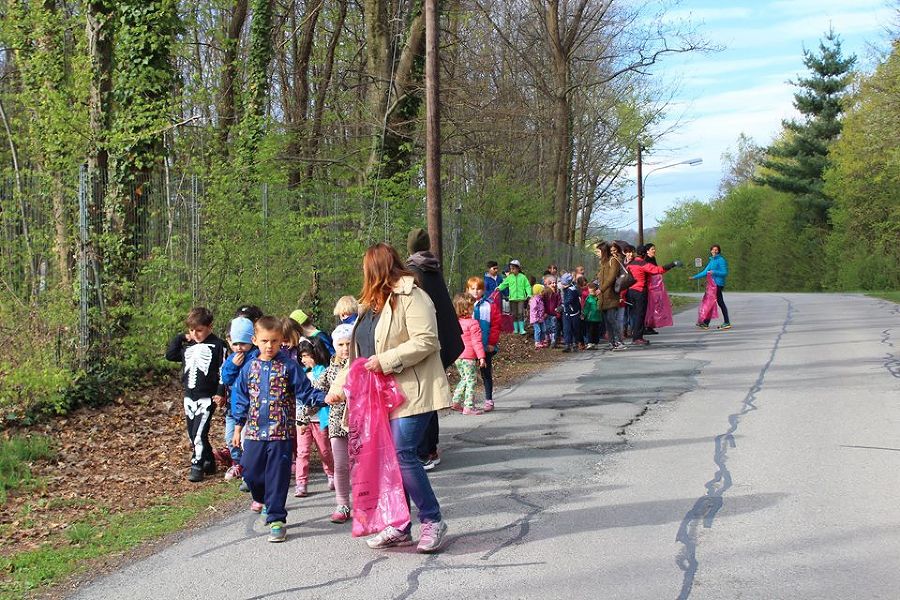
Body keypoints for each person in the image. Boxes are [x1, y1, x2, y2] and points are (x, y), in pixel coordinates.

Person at [325, 243, 451, 553]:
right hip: (378, 397)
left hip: (412, 391)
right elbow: (358, 354)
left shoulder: (414, 297)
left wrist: (387, 360)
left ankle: (433, 520)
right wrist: (339, 384)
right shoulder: (369, 306)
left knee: (403, 452)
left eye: (366, 268)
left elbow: (427, 341)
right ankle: (400, 525)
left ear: (378, 268)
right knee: (390, 460)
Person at [232, 316, 326, 542]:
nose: (269, 346)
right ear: (255, 340)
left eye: (274, 341)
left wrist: (326, 398)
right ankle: (264, 499)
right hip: (254, 433)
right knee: (250, 473)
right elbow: (241, 398)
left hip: (280, 433)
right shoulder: (249, 368)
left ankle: (276, 519)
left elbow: (306, 392)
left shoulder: (289, 366)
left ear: (281, 341)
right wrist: (237, 427)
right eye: (264, 341)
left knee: (278, 476)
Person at [405, 227, 464, 471]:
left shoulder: (413, 271)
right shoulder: (433, 267)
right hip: (440, 339)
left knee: (421, 397)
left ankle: (424, 451)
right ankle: (430, 447)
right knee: (428, 394)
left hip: (426, 341)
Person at [165, 307, 228, 482]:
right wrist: (181, 338)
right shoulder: (189, 346)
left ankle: (197, 464)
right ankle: (209, 460)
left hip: (207, 396)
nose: (196, 334)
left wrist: (220, 392)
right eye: (192, 330)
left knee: (199, 433)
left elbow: (224, 369)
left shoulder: (218, 345)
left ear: (210, 327)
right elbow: (170, 355)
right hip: (189, 395)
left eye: (199, 330)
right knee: (193, 434)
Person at [312, 322, 354, 523]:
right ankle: (342, 503)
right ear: (334, 346)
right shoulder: (329, 371)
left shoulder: (361, 365)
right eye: (341, 344)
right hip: (337, 423)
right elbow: (314, 392)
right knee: (341, 465)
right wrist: (303, 416)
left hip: (359, 423)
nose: (345, 349)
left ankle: (366, 502)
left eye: (349, 344)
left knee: (361, 464)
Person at [294, 340, 335, 498]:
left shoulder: (323, 372)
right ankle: (301, 483)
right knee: (302, 452)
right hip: (303, 420)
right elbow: (298, 398)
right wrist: (301, 418)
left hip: (319, 419)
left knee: (324, 450)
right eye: (301, 356)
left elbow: (322, 396)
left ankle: (331, 474)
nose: (303, 359)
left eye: (306, 356)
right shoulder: (301, 374)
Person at [221, 316, 256, 481]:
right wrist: (233, 365)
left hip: (250, 407)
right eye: (235, 344)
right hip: (233, 408)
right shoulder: (232, 358)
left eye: (243, 343)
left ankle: (249, 469)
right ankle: (237, 463)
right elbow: (226, 378)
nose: (239, 347)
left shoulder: (255, 357)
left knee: (246, 440)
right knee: (230, 438)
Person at [625, 245, 680, 346]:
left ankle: (635, 336)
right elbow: (658, 270)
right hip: (640, 291)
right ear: (644, 253)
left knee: (634, 315)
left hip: (630, 291)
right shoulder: (642, 263)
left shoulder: (630, 264)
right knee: (640, 315)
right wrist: (672, 264)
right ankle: (637, 338)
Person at [466, 276, 501, 413]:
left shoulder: (490, 305)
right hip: (469, 346)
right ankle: (469, 401)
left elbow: (496, 325)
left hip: (485, 346)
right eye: (473, 289)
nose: (476, 292)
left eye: (479, 289)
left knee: (486, 373)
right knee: (469, 375)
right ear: (468, 289)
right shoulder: (465, 305)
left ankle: (488, 399)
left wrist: (492, 343)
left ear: (483, 290)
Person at [450, 293, 487, 415]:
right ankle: (469, 406)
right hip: (469, 356)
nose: (474, 309)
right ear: (466, 309)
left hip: (458, 356)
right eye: (472, 306)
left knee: (464, 378)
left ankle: (455, 401)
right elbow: (476, 341)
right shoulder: (473, 323)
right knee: (471, 380)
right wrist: (481, 357)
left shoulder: (455, 323)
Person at [691, 244, 731, 330]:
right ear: (711, 251)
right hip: (711, 285)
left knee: (717, 302)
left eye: (716, 250)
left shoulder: (721, 260)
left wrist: (714, 272)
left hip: (718, 284)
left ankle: (724, 322)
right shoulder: (712, 261)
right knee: (711, 302)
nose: (714, 251)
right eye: (713, 250)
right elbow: (705, 272)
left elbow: (724, 273)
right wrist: (694, 277)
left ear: (719, 251)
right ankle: (706, 323)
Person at [597, 242, 626, 351]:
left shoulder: (613, 261)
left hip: (611, 295)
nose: (597, 254)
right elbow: (600, 278)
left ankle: (619, 341)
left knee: (612, 319)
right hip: (603, 297)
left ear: (603, 251)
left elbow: (611, 278)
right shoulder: (603, 263)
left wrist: (601, 289)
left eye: (598, 251)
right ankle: (612, 342)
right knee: (607, 321)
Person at [498, 259, 532, 335]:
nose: (511, 270)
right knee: (514, 314)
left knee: (520, 313)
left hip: (521, 298)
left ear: (518, 268)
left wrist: (529, 294)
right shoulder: (509, 277)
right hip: (512, 298)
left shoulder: (523, 277)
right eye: (510, 268)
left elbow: (527, 286)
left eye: (513, 268)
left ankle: (522, 329)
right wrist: (499, 288)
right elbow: (504, 284)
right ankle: (516, 329)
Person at [559, 273, 582, 353]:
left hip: (574, 313)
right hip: (566, 313)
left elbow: (569, 300)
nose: (561, 284)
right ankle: (567, 344)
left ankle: (575, 343)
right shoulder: (565, 289)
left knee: (575, 329)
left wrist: (562, 306)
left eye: (563, 283)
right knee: (566, 329)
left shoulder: (572, 290)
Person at [542, 275, 561, 347]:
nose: (553, 284)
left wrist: (558, 312)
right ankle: (548, 339)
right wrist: (543, 312)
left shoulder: (557, 293)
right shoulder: (544, 293)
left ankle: (554, 340)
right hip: (546, 314)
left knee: (553, 327)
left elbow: (559, 303)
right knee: (547, 327)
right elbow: (542, 304)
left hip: (554, 314)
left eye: (554, 283)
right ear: (546, 284)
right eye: (551, 283)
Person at [582, 282, 603, 349]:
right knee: (591, 331)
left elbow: (586, 309)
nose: (591, 293)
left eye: (592, 291)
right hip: (591, 318)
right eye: (590, 292)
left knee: (594, 331)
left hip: (594, 318)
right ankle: (591, 342)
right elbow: (586, 308)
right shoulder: (589, 298)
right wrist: (584, 314)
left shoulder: (596, 298)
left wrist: (584, 314)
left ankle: (593, 343)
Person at [529, 283, 547, 348]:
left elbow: (541, 309)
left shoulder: (540, 299)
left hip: (541, 318)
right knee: (538, 330)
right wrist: (536, 318)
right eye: (542, 292)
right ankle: (537, 342)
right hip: (536, 319)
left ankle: (542, 340)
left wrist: (543, 315)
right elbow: (533, 310)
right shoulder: (534, 300)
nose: (543, 293)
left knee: (543, 329)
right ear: (538, 292)